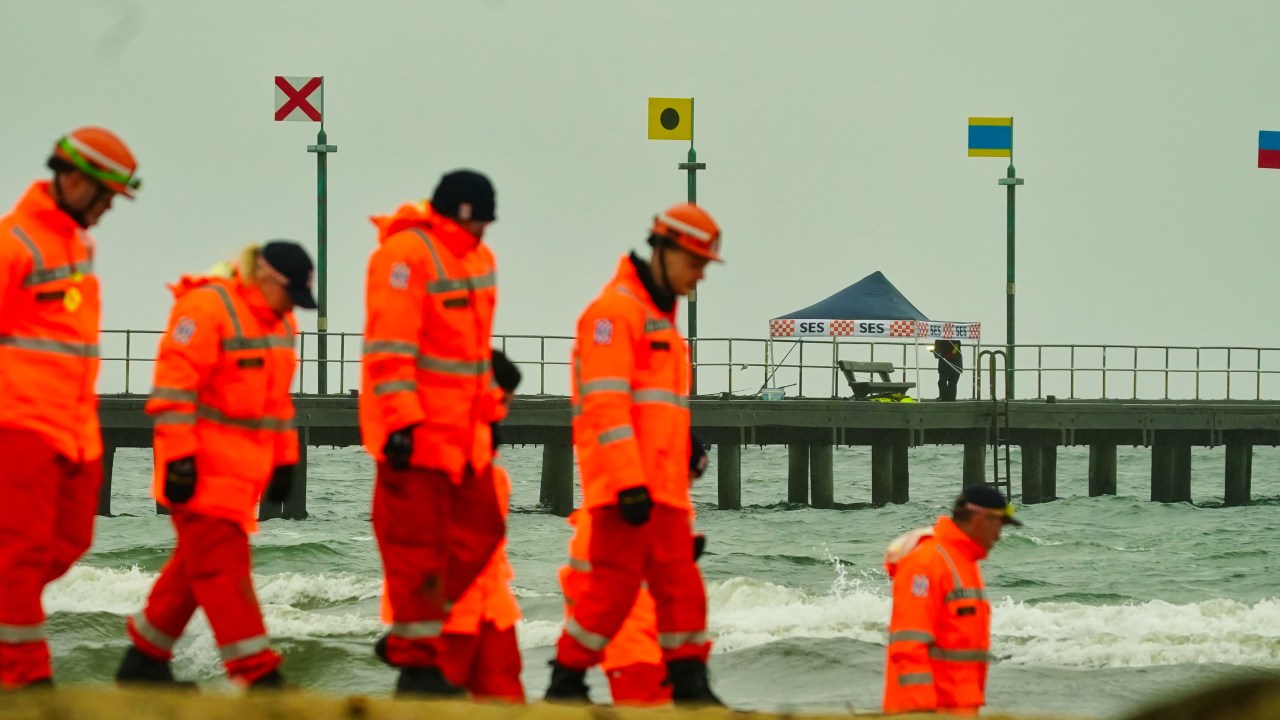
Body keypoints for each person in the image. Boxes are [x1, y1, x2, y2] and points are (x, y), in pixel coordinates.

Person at [115, 241, 316, 689]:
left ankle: (143, 661)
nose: (292, 308)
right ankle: (258, 674)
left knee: (194, 566)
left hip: (242, 476)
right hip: (198, 469)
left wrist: (285, 462)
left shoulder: (280, 323)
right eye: (290, 296)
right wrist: (181, 459)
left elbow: (276, 403)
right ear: (264, 277)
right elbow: (174, 389)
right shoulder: (207, 307)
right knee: (224, 569)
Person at [545, 203, 723, 705]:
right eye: (695, 264)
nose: (700, 277)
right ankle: (565, 681)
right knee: (610, 594)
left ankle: (691, 687)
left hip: (662, 489)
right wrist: (628, 483)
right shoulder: (615, 313)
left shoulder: (656, 319)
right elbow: (605, 405)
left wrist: (686, 447)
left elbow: (656, 406)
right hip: (628, 489)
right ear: (663, 251)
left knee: (682, 589)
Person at [0, 127, 140, 691]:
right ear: (74, 179)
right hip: (20, 421)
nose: (108, 208)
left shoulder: (79, 245)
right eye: (105, 196)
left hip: (74, 428)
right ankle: (24, 676)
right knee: (21, 548)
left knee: (70, 542)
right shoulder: (15, 244)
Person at [360, 170, 510, 696]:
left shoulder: (478, 260)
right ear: (461, 215)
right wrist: (400, 420)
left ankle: (407, 641)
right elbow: (389, 343)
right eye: (480, 224)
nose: (484, 235)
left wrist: (492, 412)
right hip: (416, 437)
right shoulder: (404, 254)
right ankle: (418, 668)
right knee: (415, 554)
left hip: (464, 438)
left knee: (485, 529)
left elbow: (473, 354)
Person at [377, 350, 525, 702]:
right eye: (504, 399)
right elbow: (420, 545)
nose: (506, 408)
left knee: (507, 703)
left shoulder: (488, 467)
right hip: (448, 619)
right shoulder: (440, 455)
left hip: (492, 612)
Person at [557, 434, 709, 707]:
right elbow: (606, 587)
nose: (688, 487)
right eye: (688, 477)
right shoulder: (627, 516)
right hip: (633, 644)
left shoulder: (654, 512)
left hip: (644, 641)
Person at [882, 484, 1021, 716]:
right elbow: (909, 644)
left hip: (957, 708)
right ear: (982, 519)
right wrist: (919, 711)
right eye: (999, 525)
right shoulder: (927, 563)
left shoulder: (963, 563)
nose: (999, 535)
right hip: (926, 710)